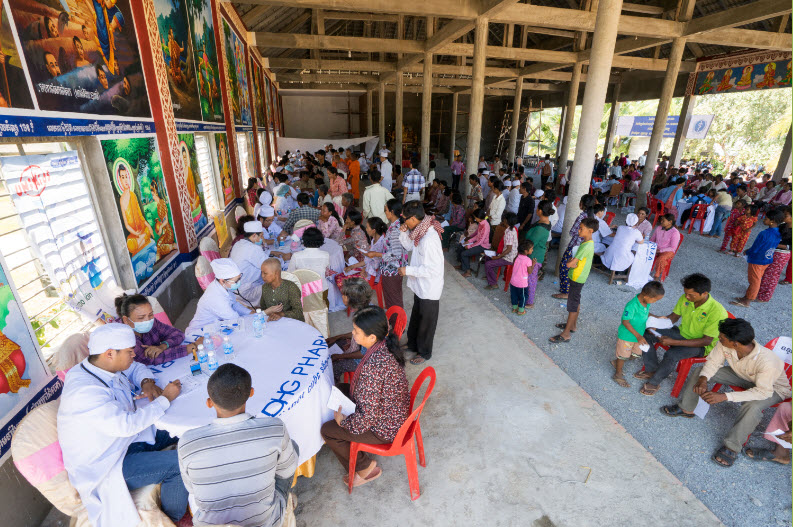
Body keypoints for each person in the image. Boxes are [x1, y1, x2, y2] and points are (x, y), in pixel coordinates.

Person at [58, 324, 187, 527]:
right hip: (109, 464)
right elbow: (126, 426)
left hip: (127, 442)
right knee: (180, 464)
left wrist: (146, 382)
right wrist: (165, 399)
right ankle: (176, 519)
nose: (134, 355)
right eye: (129, 352)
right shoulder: (84, 392)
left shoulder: (98, 366)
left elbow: (135, 368)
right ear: (110, 353)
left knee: (184, 428)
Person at [178, 364, 298, 526]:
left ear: (209, 403)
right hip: (265, 522)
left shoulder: (187, 441)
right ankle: (281, 504)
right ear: (251, 393)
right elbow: (287, 471)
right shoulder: (274, 427)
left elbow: (192, 489)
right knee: (292, 449)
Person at [661, 318, 789, 468]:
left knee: (752, 407)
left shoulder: (767, 362)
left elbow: (762, 392)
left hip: (771, 388)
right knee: (699, 371)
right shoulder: (726, 343)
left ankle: (732, 447)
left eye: (722, 337)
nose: (719, 339)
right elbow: (714, 362)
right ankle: (686, 408)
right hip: (744, 375)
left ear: (735, 343)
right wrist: (703, 378)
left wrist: (725, 396)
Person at [320, 306, 409, 486]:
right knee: (340, 390)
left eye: (356, 332)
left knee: (328, 431)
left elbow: (367, 418)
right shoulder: (385, 345)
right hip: (390, 411)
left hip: (385, 427)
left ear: (372, 337)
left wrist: (342, 422)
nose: (352, 335)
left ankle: (365, 467)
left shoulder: (373, 369)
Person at [635, 273, 728, 396]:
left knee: (672, 354)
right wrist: (655, 322)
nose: (687, 297)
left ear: (704, 293)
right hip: (680, 333)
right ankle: (652, 369)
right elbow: (672, 318)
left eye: (691, 295)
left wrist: (673, 342)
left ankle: (655, 381)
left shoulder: (717, 312)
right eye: (686, 293)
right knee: (645, 332)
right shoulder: (686, 298)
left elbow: (706, 341)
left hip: (700, 345)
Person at [399, 201, 444, 364]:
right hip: (421, 286)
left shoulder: (429, 238)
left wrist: (408, 270)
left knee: (426, 323)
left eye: (405, 219)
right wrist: (403, 233)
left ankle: (424, 353)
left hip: (429, 288)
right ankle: (412, 345)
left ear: (412, 218)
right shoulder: (420, 230)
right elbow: (410, 246)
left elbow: (433, 270)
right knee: (417, 317)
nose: (404, 222)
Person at [549, 218, 598, 343]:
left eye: (581, 228)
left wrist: (569, 263)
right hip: (579, 277)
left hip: (577, 277)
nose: (578, 230)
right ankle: (572, 326)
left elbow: (570, 264)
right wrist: (572, 262)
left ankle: (566, 334)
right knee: (576, 301)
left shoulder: (586, 246)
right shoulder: (588, 243)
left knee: (572, 305)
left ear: (590, 231)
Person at [114, 294, 194, 366]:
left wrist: (163, 346)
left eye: (151, 314)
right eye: (141, 318)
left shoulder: (152, 322)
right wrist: (193, 347)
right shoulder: (122, 337)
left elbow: (178, 334)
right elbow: (153, 359)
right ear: (126, 320)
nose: (147, 320)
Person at [611, 281, 665, 388]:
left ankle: (618, 361)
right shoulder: (631, 305)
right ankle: (618, 373)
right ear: (646, 296)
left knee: (636, 354)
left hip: (638, 335)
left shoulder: (646, 302)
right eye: (655, 299)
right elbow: (625, 322)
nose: (655, 302)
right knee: (623, 355)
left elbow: (645, 313)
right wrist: (639, 336)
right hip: (627, 336)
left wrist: (656, 318)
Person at [187, 259, 254, 339]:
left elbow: (234, 305)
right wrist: (253, 318)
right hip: (199, 333)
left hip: (215, 326)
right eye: (236, 281)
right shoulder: (216, 298)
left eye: (239, 279)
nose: (239, 283)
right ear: (222, 281)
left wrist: (250, 313)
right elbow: (235, 319)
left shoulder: (224, 286)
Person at [730, 209, 784, 308]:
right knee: (757, 279)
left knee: (755, 281)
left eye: (766, 219)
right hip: (767, 259)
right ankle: (747, 296)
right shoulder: (779, 232)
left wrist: (748, 251)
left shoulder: (764, 233)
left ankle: (747, 301)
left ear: (772, 221)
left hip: (757, 259)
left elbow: (756, 247)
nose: (763, 220)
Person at [327, 278, 372, 382]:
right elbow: (357, 334)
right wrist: (336, 337)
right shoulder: (365, 309)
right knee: (333, 344)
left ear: (353, 299)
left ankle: (335, 388)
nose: (342, 296)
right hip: (361, 348)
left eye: (344, 295)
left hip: (367, 360)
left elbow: (364, 353)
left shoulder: (365, 321)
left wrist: (340, 356)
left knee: (335, 366)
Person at [553, 195, 596, 300]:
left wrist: (577, 231)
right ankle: (568, 290)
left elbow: (572, 232)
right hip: (581, 245)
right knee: (574, 268)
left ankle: (566, 292)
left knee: (564, 267)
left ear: (582, 204)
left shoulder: (582, 217)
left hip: (574, 246)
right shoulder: (592, 216)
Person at [229, 220, 269, 306]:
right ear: (254, 235)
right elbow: (268, 265)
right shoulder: (253, 249)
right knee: (277, 288)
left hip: (236, 289)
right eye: (261, 236)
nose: (262, 238)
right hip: (246, 292)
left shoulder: (238, 244)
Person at [757, 206, 792, 302]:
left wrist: (775, 243)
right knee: (766, 272)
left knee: (772, 276)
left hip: (781, 255)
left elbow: (790, 247)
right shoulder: (782, 226)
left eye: (786, 215)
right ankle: (759, 291)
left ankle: (765, 296)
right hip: (772, 251)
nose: (783, 216)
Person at [288, 227, 330, 292]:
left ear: (304, 241)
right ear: (320, 241)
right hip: (321, 290)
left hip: (302, 291)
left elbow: (290, 274)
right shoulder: (325, 255)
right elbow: (326, 273)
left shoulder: (296, 256)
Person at [484, 212, 518, 289]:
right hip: (507, 254)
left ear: (506, 220)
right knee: (487, 257)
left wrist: (498, 257)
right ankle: (490, 276)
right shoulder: (512, 229)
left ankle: (493, 284)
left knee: (488, 264)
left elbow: (509, 249)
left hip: (508, 258)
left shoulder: (509, 232)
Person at [454, 208, 490, 277]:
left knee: (464, 253)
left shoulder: (486, 226)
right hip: (478, 242)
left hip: (483, 246)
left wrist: (470, 246)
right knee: (461, 246)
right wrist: (469, 241)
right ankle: (462, 266)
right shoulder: (481, 223)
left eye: (475, 217)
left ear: (479, 218)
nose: (475, 219)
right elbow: (477, 236)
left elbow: (480, 241)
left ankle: (468, 272)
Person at [524, 200, 552, 279]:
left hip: (533, 256)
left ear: (540, 211)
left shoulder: (541, 229)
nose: (536, 210)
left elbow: (531, 243)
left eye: (537, 208)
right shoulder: (545, 221)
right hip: (534, 253)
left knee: (529, 280)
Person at [649, 214, 682, 280]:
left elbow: (673, 247)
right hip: (656, 248)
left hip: (668, 251)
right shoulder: (659, 228)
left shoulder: (675, 232)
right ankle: (642, 272)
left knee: (661, 259)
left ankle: (656, 276)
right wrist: (649, 247)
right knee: (643, 252)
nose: (661, 222)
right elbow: (652, 239)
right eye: (661, 220)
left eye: (663, 221)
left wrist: (660, 251)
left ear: (670, 222)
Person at [509, 239, 538, 314]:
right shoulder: (528, 260)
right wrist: (533, 264)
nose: (533, 250)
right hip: (522, 283)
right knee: (523, 296)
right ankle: (521, 310)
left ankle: (514, 308)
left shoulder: (516, 257)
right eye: (531, 248)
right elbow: (530, 272)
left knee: (514, 295)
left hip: (513, 281)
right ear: (526, 251)